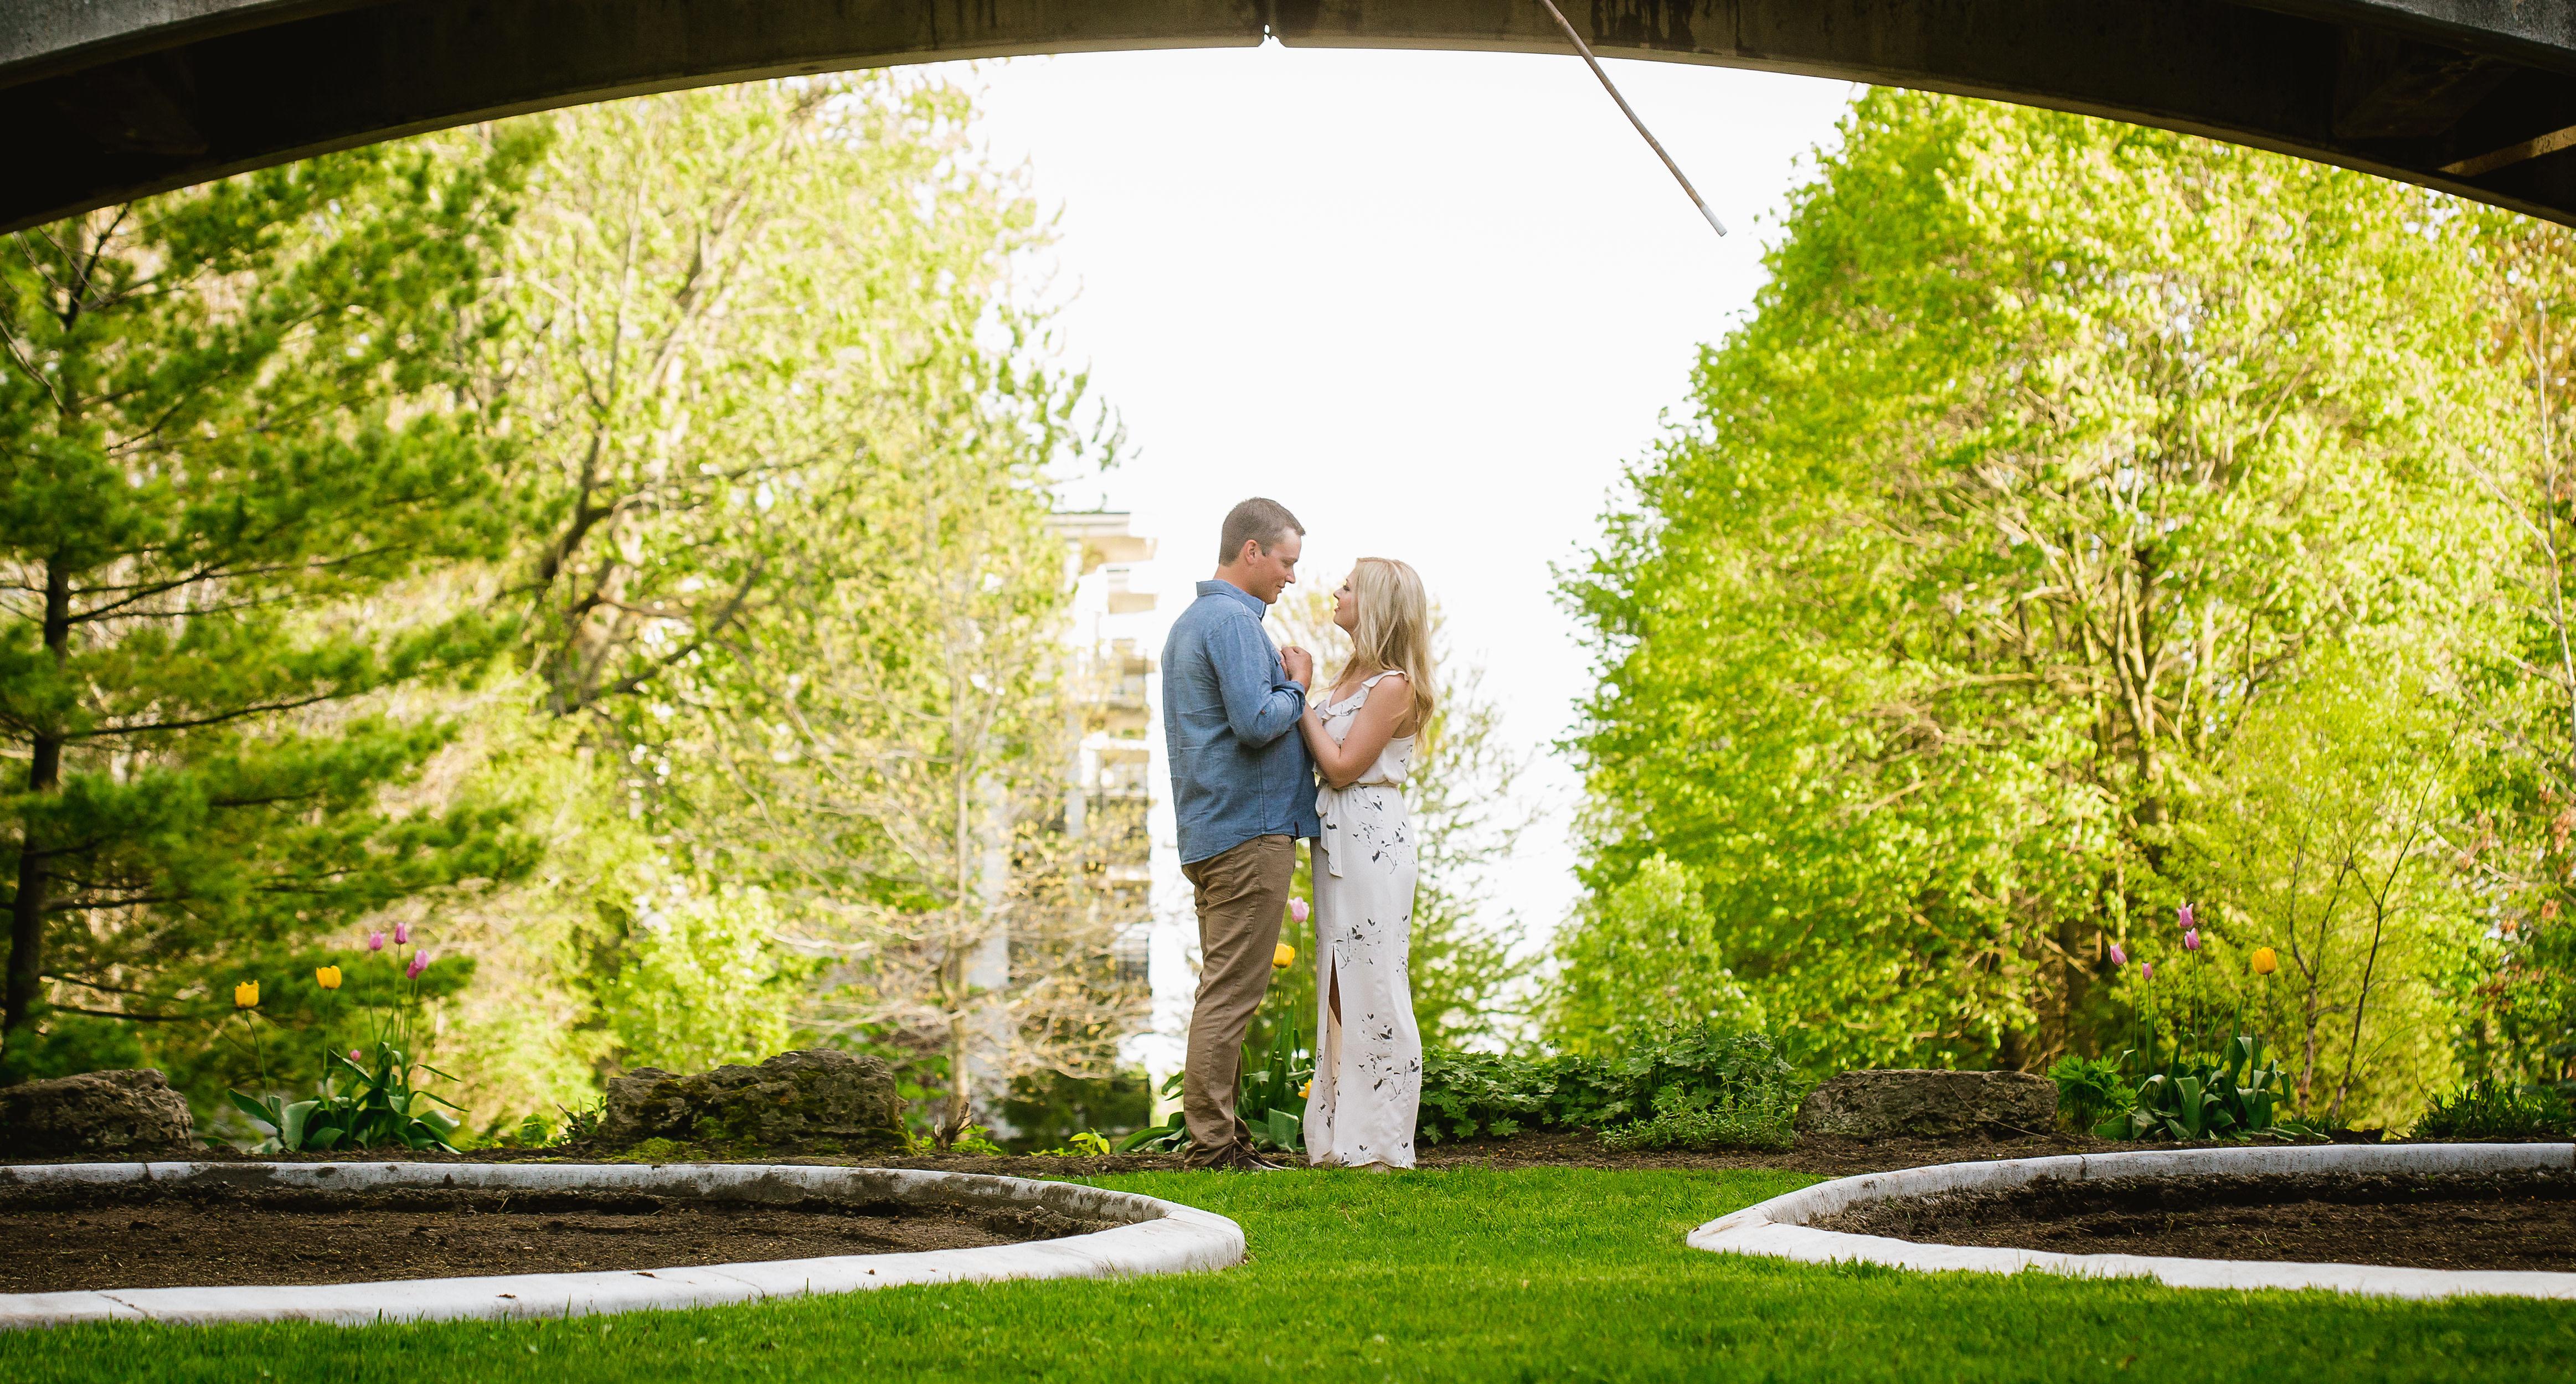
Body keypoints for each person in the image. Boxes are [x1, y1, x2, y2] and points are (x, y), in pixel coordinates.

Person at [1161, 497, 1318, 1171]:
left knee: (1225, 991)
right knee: (1230, 995)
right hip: (1247, 833)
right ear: (1250, 551)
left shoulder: (1196, 622)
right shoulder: (1229, 622)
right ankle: (1213, 1149)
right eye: (1286, 562)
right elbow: (1257, 722)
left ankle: (1226, 1140)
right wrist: (1298, 685)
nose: (1291, 577)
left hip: (1214, 830)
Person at [1296, 557, 1433, 1171]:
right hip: (1335, 839)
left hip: (1373, 839)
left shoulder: (1395, 685)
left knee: (1375, 979)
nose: (1336, 591)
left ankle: (1382, 1139)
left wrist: (1296, 697)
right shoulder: (1351, 674)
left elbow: (1343, 765)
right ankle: (1337, 1136)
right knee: (1335, 978)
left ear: (1374, 603)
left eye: (1348, 586)